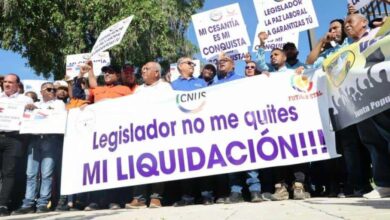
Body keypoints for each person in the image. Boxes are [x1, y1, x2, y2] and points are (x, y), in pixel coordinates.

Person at [11, 82, 65, 215]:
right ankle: (28, 203)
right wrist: (28, 109)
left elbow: (58, 116)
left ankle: (42, 203)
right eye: (48, 89)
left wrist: (37, 110)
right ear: (41, 92)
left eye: (54, 89)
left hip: (50, 139)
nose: (52, 91)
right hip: (34, 140)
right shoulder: (36, 104)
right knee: (31, 173)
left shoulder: (59, 104)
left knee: (46, 174)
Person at [125, 61, 171, 209]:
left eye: (147, 69)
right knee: (139, 164)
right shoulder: (138, 90)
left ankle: (156, 198)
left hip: (159, 131)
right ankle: (139, 199)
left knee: (158, 164)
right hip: (139, 133)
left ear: (157, 73)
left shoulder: (165, 87)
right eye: (143, 69)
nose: (143, 71)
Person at [0, 74, 33, 216]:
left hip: (14, 138)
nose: (7, 84)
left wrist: (33, 108)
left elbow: (33, 116)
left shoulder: (25, 99)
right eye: (5, 82)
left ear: (17, 85)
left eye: (10, 82)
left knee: (9, 172)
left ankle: (3, 205)